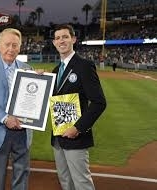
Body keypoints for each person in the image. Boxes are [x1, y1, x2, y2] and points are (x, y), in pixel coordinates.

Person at [51, 24, 107, 190]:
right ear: (54, 43)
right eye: (58, 38)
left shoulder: (84, 65)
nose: (61, 41)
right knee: (65, 182)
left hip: (75, 136)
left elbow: (99, 102)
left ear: (73, 39)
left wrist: (77, 128)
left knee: (81, 183)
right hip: (58, 137)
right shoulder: (55, 71)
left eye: (65, 37)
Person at [0, 28, 33, 190]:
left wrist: (40, 81)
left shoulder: (27, 68)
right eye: (7, 44)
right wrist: (5, 118)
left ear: (20, 47)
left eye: (15, 45)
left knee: (22, 175)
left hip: (23, 131)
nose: (11, 49)